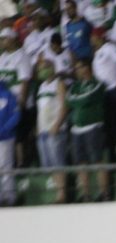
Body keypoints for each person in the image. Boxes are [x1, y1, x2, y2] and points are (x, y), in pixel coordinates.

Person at [67, 59, 108, 201]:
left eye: (80, 67)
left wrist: (79, 101)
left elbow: (88, 98)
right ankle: (86, 194)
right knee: (80, 162)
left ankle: (104, 193)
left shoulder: (98, 84)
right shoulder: (75, 86)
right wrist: (80, 101)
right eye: (76, 68)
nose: (78, 70)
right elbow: (70, 100)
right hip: (77, 129)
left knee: (97, 160)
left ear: (87, 68)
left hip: (93, 127)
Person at [92, 26, 116, 163]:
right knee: (109, 129)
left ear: (99, 37)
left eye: (94, 36)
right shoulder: (96, 53)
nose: (92, 39)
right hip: (104, 94)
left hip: (114, 90)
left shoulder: (109, 47)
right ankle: (113, 161)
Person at [35, 58, 67, 203]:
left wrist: (57, 124)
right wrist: (37, 127)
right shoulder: (42, 86)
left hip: (55, 129)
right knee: (48, 164)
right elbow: (40, 109)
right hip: (43, 130)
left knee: (57, 162)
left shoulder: (58, 84)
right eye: (41, 68)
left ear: (52, 68)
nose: (42, 71)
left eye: (45, 67)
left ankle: (62, 194)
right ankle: (57, 192)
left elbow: (63, 106)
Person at [0, 28, 33, 168]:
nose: (2, 42)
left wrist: (21, 103)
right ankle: (13, 163)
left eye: (4, 38)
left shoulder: (22, 56)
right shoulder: (2, 57)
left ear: (12, 39)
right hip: (4, 105)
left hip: (18, 102)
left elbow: (25, 81)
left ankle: (22, 163)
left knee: (20, 136)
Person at [0, 79, 20, 207]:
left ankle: (9, 197)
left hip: (6, 138)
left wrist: (3, 130)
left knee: (6, 167)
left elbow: (16, 115)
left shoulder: (9, 95)